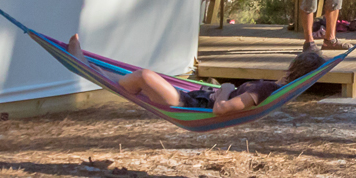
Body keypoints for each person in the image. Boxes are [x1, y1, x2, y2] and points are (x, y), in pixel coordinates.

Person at [72, 38, 326, 117]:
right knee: (140, 79)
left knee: (145, 77)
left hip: (188, 105)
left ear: (293, 68)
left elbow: (221, 109)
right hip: (191, 97)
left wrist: (225, 87)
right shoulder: (272, 90)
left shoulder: (265, 91)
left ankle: (87, 67)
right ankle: (93, 69)